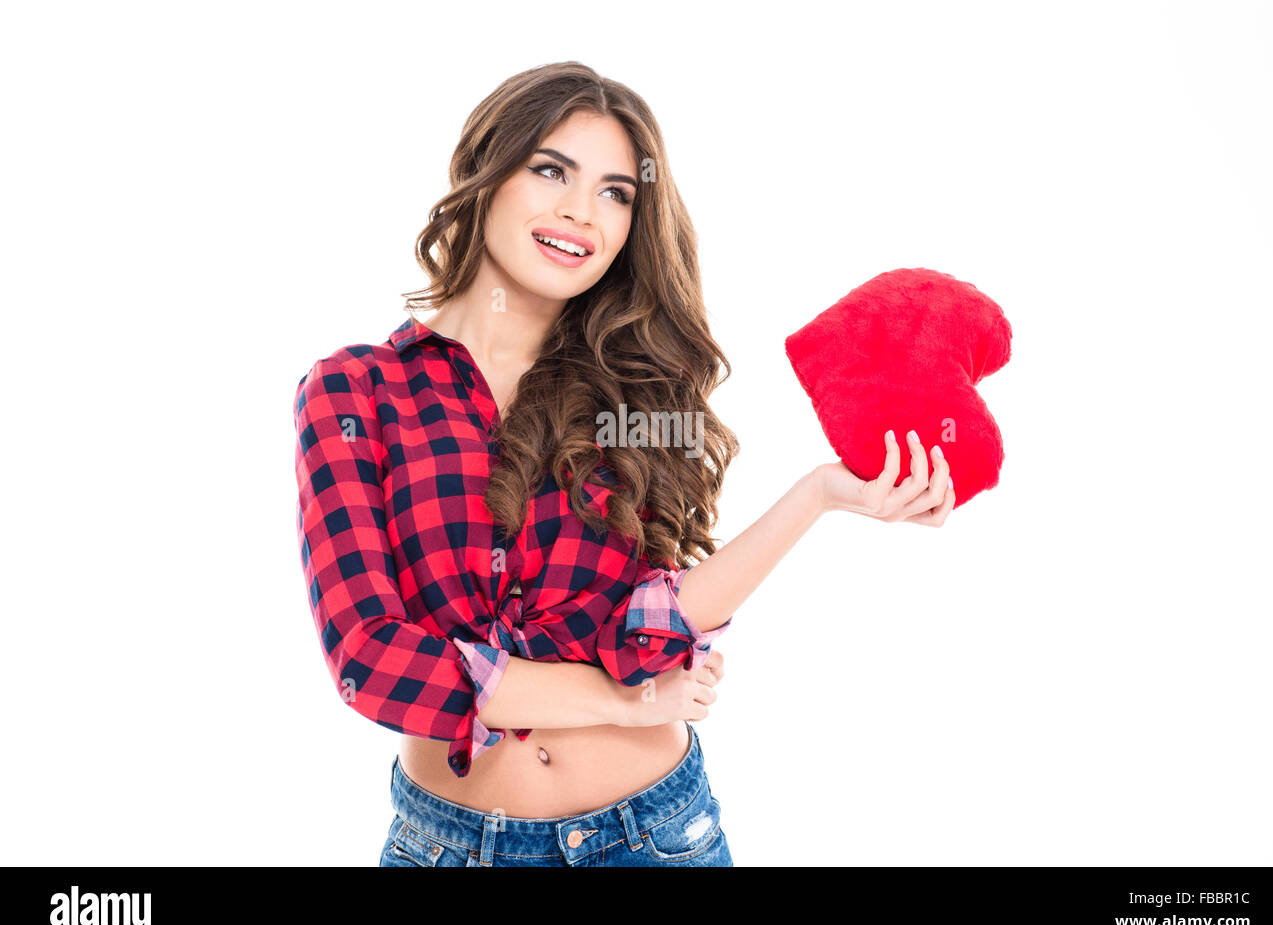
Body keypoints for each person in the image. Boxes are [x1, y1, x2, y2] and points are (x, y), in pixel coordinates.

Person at [292, 61, 955, 868]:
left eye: (616, 192)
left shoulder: (632, 395)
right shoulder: (356, 389)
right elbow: (370, 659)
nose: (581, 212)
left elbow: (649, 631)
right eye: (550, 171)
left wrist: (818, 495)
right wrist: (618, 703)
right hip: (450, 846)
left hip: (651, 836)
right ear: (484, 173)